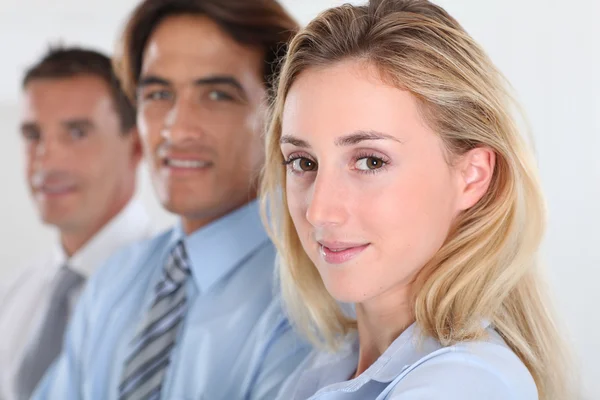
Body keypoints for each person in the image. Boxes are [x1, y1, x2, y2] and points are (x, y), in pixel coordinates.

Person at [262, 0, 573, 399]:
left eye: (371, 161)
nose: (319, 210)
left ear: (471, 176)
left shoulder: (466, 385)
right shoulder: (329, 365)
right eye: (303, 161)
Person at [33, 1, 307, 399]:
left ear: (280, 111)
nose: (176, 130)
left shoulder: (312, 296)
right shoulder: (115, 280)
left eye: (216, 95)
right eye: (159, 94)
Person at [0, 47, 153, 400]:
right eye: (32, 134)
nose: (45, 157)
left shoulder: (169, 293)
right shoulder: (14, 295)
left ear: (136, 147)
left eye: (77, 133)